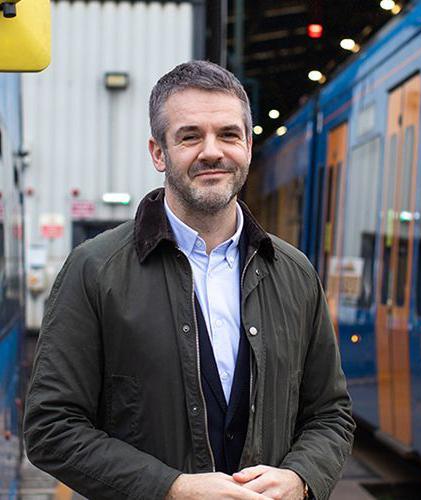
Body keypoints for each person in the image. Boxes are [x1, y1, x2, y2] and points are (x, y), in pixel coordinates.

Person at [23, 60, 354, 500]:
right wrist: (170, 488)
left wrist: (301, 477)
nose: (212, 151)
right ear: (158, 152)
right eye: (190, 136)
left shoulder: (294, 274)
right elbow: (51, 428)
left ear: (248, 146)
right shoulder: (94, 270)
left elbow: (330, 413)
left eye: (228, 134)